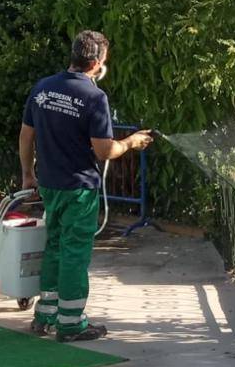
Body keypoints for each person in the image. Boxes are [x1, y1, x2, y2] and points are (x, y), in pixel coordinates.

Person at [19, 31, 152, 341]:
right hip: (79, 189)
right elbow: (104, 151)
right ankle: (70, 323)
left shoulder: (43, 88)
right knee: (74, 254)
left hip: (50, 184)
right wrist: (131, 142)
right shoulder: (94, 97)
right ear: (96, 63)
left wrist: (28, 174)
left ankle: (45, 314)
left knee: (54, 246)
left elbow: (26, 136)